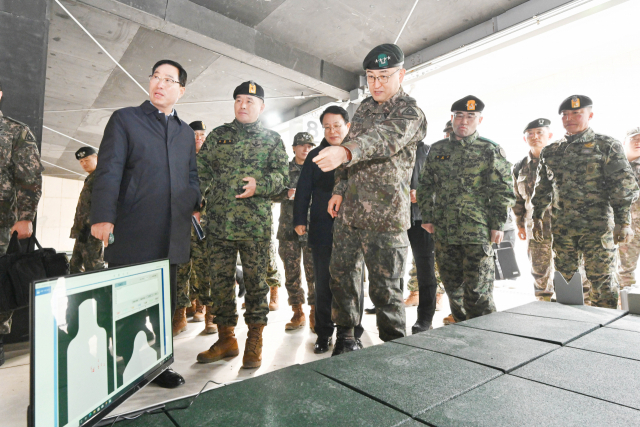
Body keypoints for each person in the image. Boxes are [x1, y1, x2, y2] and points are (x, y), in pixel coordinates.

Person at [90, 60, 201, 388]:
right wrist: (103, 216)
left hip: (172, 233)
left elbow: (191, 175)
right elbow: (108, 168)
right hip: (134, 229)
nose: (160, 84)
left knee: (162, 305)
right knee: (127, 304)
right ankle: (122, 368)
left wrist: (193, 201)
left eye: (169, 80)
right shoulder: (126, 119)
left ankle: (158, 366)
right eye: (156, 77)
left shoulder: (184, 132)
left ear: (181, 90)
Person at [314, 44, 427, 353]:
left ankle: (393, 347)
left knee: (386, 288)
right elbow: (350, 148)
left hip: (386, 217)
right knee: (342, 277)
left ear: (401, 75)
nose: (376, 84)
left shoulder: (410, 112)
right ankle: (347, 337)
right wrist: (338, 190)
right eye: (371, 77)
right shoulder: (363, 108)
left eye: (384, 76)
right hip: (350, 212)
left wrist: (345, 151)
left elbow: (382, 140)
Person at [196, 80, 288, 369]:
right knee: (220, 284)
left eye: (249, 101)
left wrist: (260, 185)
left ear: (261, 106)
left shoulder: (272, 139)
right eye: (238, 100)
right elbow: (199, 173)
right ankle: (226, 339)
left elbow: (283, 179)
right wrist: (195, 205)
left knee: (256, 285)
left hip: (254, 227)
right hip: (219, 226)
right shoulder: (218, 136)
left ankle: (254, 340)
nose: (243, 105)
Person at [532, 95, 639, 308]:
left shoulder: (607, 145)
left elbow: (623, 187)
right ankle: (570, 325)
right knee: (566, 280)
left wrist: (623, 222)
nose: (569, 118)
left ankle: (605, 328)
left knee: (602, 280)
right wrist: (537, 218)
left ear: (590, 115)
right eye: (565, 114)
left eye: (576, 113)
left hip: (597, 228)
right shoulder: (551, 151)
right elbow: (542, 188)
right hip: (563, 229)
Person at [418, 96, 515, 323]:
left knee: (478, 293)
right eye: (459, 115)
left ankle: (486, 340)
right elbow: (425, 185)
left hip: (477, 232)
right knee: (453, 290)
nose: (464, 121)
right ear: (452, 118)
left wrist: (497, 224)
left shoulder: (490, 150)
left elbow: (503, 190)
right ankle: (462, 336)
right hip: (445, 231)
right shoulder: (438, 149)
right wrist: (427, 216)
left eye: (470, 116)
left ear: (479, 120)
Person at [294, 105, 366, 354]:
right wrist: (299, 220)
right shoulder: (316, 155)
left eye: (337, 125)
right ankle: (323, 333)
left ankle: (353, 332)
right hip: (324, 227)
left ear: (347, 125)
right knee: (323, 283)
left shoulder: (359, 151)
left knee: (355, 281)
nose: (332, 131)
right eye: (327, 127)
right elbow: (303, 191)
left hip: (356, 226)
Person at [0, 79, 44, 366]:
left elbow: (29, 178)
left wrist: (25, 217)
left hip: (3, 223)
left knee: (1, 282)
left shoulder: (15, 131)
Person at [173, 120, 216, 336]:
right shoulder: (179, 159)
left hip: (203, 225)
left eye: (202, 134)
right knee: (180, 270)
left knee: (204, 270)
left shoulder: (211, 162)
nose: (198, 138)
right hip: (180, 225)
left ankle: (209, 314)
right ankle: (179, 315)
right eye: (194, 134)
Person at [274, 132, 315, 331]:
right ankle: (297, 312)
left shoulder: (317, 168)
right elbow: (272, 192)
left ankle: (315, 311)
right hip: (288, 229)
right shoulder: (284, 170)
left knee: (313, 272)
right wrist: (286, 193)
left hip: (311, 228)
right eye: (301, 145)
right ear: (293, 148)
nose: (305, 149)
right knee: (291, 273)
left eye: (309, 146)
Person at [512, 119, 555, 301]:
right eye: (530, 133)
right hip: (534, 226)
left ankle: (571, 304)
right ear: (525, 138)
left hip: (562, 223)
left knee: (570, 267)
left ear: (549, 136)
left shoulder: (559, 161)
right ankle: (543, 301)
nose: (535, 137)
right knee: (539, 266)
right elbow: (517, 199)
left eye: (540, 133)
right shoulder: (519, 167)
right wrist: (520, 224)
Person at [406, 137, 439, 333]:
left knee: (425, 268)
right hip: (395, 218)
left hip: (422, 219)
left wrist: (423, 194)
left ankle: (425, 318)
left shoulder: (429, 152)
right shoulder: (392, 151)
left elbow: (444, 184)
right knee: (391, 269)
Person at [69, 147, 105, 274]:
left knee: (94, 268)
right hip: (82, 231)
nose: (83, 164)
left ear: (97, 158)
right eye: (81, 162)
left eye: (86, 160)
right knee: (74, 266)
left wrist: (89, 225)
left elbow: (102, 204)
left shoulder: (101, 177)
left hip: (91, 232)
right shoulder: (91, 178)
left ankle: (100, 293)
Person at [619, 127, 640, 293]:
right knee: (624, 269)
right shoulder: (614, 167)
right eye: (635, 138)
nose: (639, 142)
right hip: (623, 228)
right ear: (625, 142)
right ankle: (623, 304)